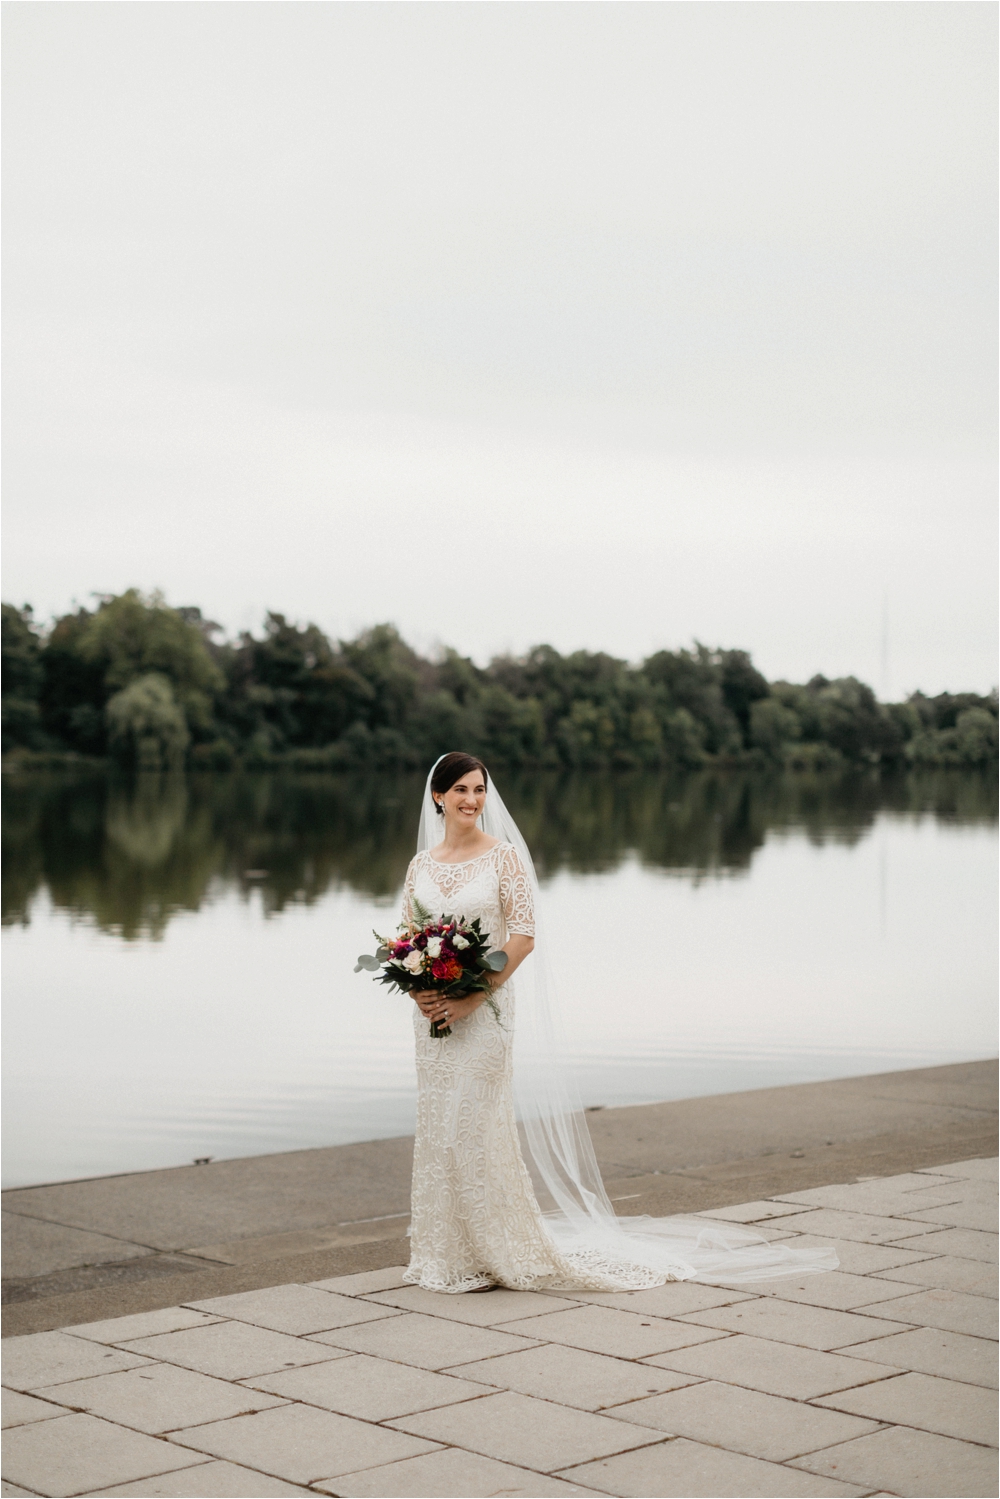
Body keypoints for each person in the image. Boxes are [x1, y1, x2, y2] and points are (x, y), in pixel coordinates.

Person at [401, 751, 837, 1294]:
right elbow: (407, 938)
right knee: (441, 1127)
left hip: (483, 1013)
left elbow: (523, 936)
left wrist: (470, 998)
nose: (472, 800)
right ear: (438, 796)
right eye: (461, 790)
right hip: (432, 1020)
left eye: (480, 789)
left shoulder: (503, 858)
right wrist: (421, 988)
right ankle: (448, 1253)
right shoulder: (421, 866)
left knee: (477, 1124)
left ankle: (497, 1249)